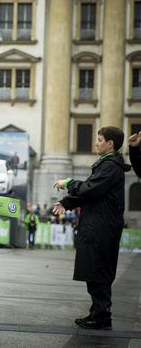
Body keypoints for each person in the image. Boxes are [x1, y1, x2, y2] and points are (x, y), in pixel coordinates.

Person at [52, 126, 130, 330]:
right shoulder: (107, 164)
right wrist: (67, 203)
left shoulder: (111, 166)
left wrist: (69, 182)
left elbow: (89, 188)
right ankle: (97, 313)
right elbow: (90, 192)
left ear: (110, 143)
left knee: (98, 271)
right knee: (94, 271)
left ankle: (102, 316)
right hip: (98, 225)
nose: (96, 143)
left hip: (102, 227)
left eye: (100, 139)